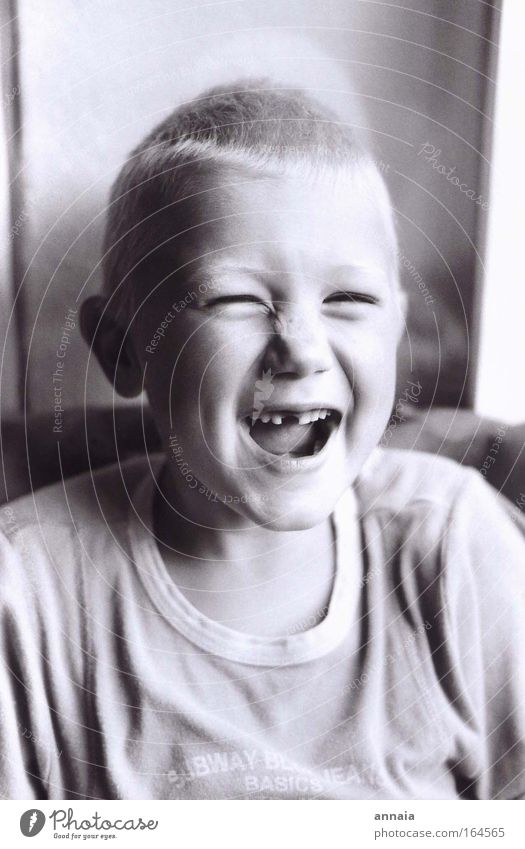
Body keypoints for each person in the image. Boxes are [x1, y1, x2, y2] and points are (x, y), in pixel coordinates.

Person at [1, 82, 523, 800]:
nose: (302, 348)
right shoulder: (29, 594)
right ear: (122, 348)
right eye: (235, 300)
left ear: (395, 329)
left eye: (349, 300)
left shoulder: (452, 546)